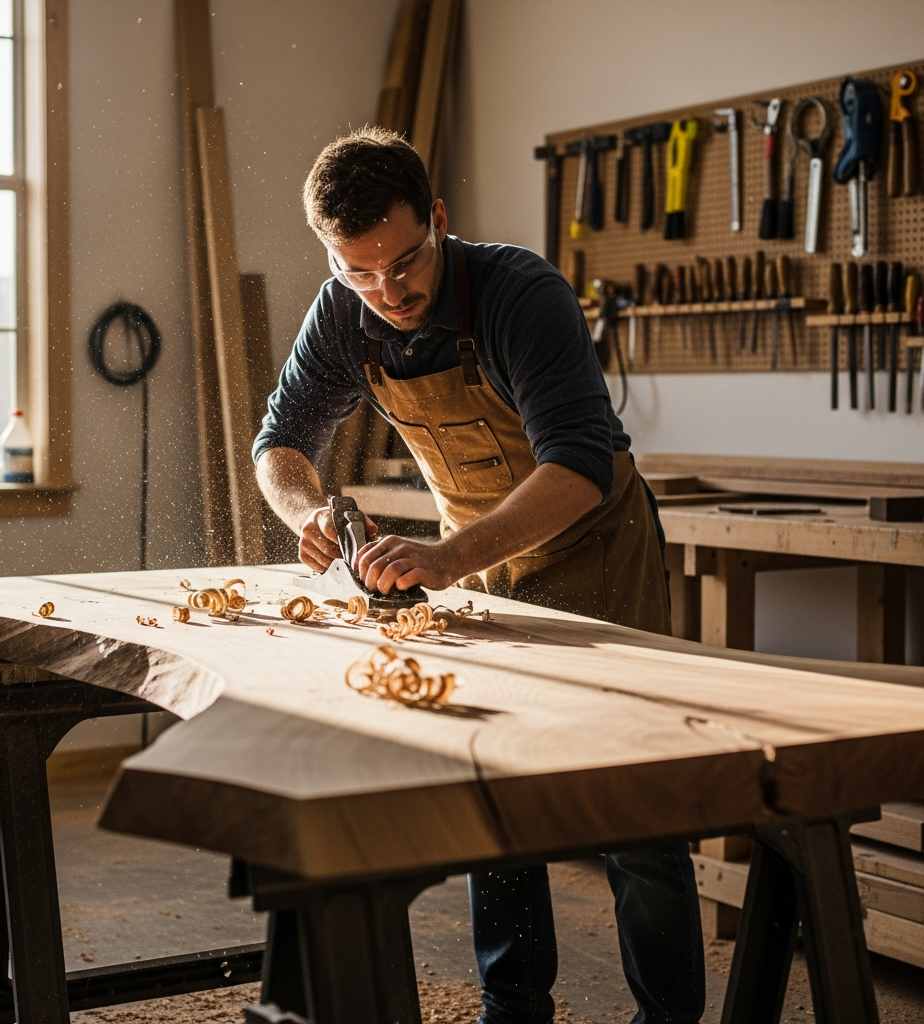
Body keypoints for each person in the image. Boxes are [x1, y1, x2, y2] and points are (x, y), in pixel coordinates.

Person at [253, 125, 704, 1024]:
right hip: (475, 558)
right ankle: (513, 1008)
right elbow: (281, 444)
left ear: (440, 222)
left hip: (591, 547)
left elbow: (578, 465)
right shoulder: (344, 309)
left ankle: (670, 1018)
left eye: (405, 262)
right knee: (490, 788)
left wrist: (449, 559)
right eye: (360, 273)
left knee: (637, 804)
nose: (390, 292)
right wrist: (308, 515)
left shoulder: (518, 294)